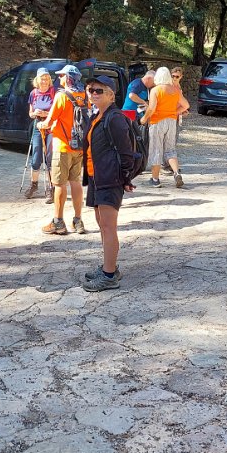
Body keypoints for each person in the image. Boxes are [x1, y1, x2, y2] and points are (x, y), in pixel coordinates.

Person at [81, 76, 135, 291]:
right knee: (101, 224)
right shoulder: (98, 116)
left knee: (108, 226)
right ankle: (108, 266)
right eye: (91, 90)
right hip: (97, 177)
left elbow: (126, 152)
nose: (94, 93)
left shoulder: (115, 118)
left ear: (111, 95)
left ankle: (109, 275)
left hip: (109, 178)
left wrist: (125, 178)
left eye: (99, 90)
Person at [37, 64, 87, 235]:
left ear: (68, 78)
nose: (59, 78)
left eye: (61, 76)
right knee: (76, 182)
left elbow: (49, 121)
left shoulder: (61, 96)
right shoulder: (84, 95)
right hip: (79, 146)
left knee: (59, 184)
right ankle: (78, 221)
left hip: (62, 146)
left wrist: (41, 125)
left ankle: (58, 222)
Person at [140, 67, 189, 188]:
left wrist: (144, 118)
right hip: (171, 122)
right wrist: (175, 112)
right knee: (170, 149)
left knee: (156, 149)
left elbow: (151, 108)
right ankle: (176, 173)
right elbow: (186, 105)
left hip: (157, 122)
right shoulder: (175, 90)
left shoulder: (156, 90)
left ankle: (155, 179)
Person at [24, 68, 56, 201]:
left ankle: (51, 188)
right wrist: (35, 113)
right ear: (37, 80)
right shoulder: (33, 93)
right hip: (38, 126)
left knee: (50, 157)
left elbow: (57, 112)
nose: (44, 81)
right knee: (36, 155)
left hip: (51, 127)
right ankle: (34, 185)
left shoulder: (54, 92)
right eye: (42, 79)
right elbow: (30, 113)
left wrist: (46, 114)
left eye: (47, 78)